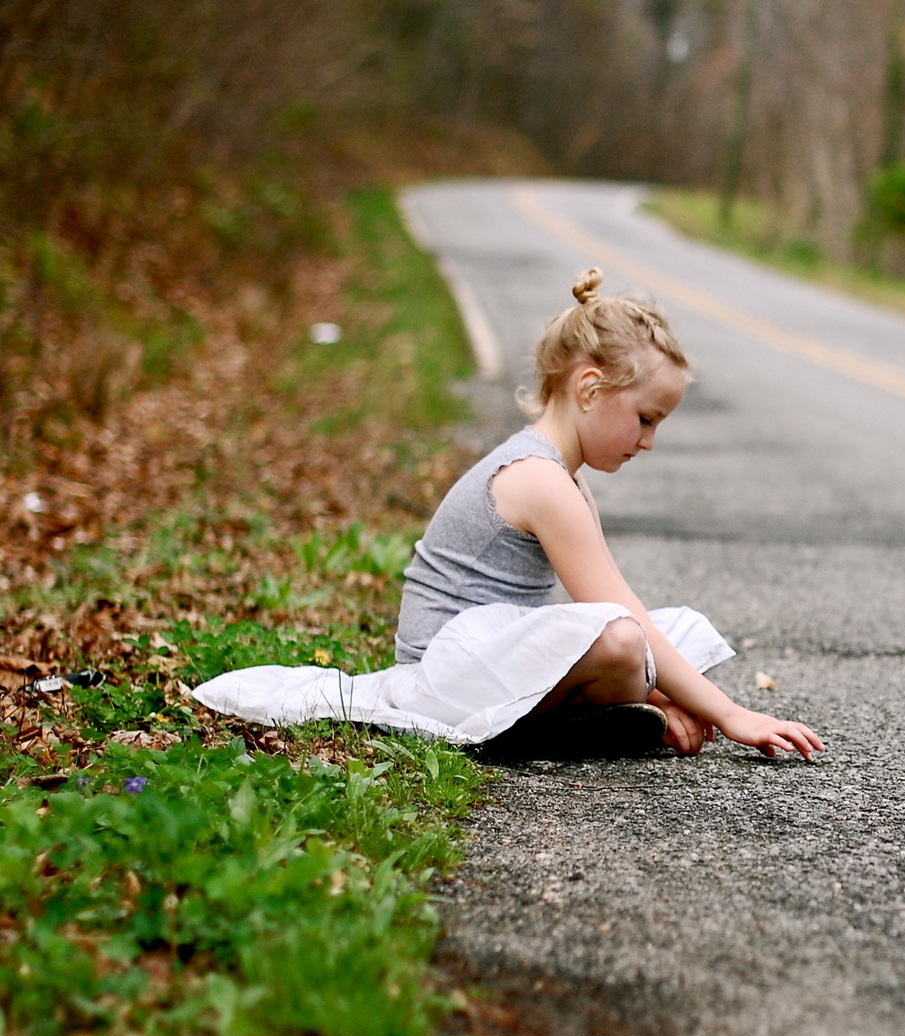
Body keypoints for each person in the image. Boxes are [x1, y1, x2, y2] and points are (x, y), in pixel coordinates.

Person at [195, 269, 823, 760]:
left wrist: (679, 691)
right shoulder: (539, 479)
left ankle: (607, 708)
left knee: (675, 633)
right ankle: (546, 726)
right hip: (446, 675)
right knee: (626, 639)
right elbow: (618, 613)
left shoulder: (562, 479)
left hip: (489, 659)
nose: (648, 441)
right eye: (645, 419)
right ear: (589, 388)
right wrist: (731, 716)